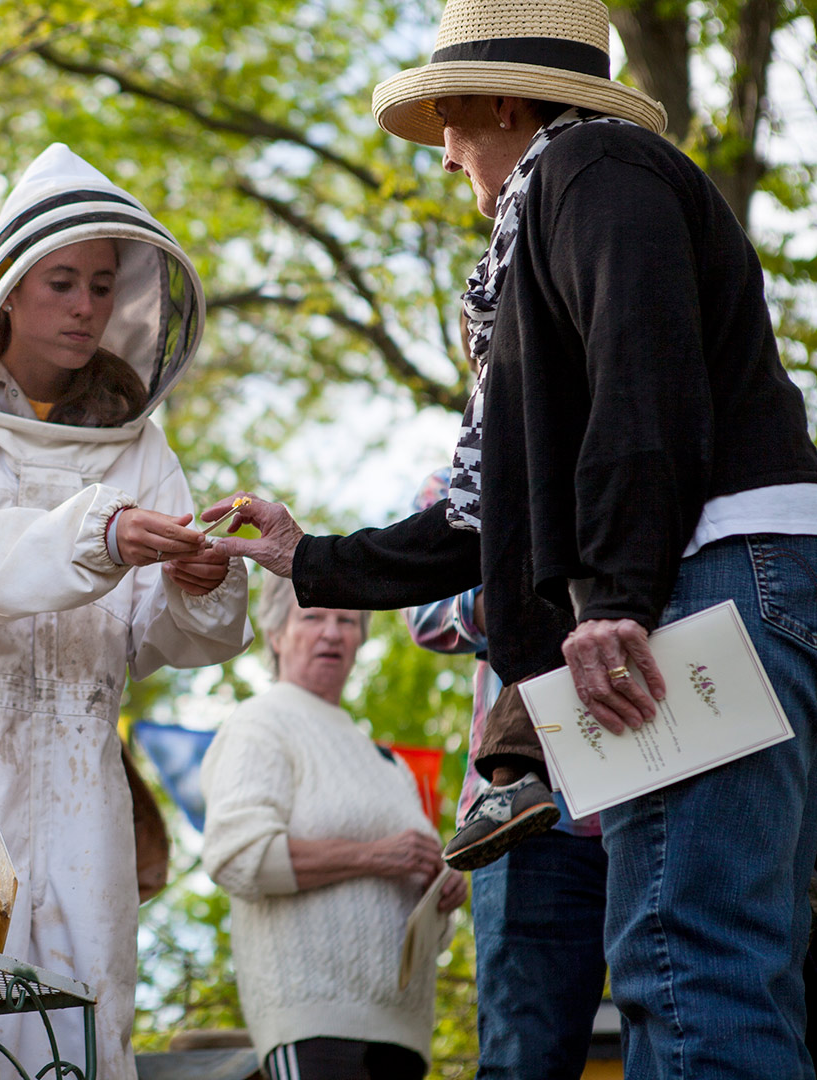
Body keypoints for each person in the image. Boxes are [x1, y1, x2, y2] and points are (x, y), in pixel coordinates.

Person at [208, 0, 817, 1075]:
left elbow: (646, 383)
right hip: (727, 580)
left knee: (686, 955)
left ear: (500, 97)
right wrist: (309, 558)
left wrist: (617, 601)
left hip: (708, 581)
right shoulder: (561, 206)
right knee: (712, 953)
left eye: (447, 120)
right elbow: (493, 514)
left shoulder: (594, 168)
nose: (443, 156)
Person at [0, 143, 251, 1079]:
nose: (86, 306)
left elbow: (160, 636)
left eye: (102, 285)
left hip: (78, 780)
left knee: (74, 1020)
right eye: (62, 282)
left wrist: (198, 582)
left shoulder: (138, 447)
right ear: (8, 293)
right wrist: (101, 534)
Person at [202, 577, 467, 1080]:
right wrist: (372, 856)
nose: (332, 632)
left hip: (404, 1034)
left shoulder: (390, 764)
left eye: (346, 620)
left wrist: (440, 895)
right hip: (313, 1024)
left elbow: (420, 926)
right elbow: (236, 856)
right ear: (276, 634)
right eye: (313, 617)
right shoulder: (261, 722)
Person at [403, 469, 607, 1080]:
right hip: (531, 815)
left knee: (678, 1033)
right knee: (527, 1056)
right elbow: (429, 615)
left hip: (664, 794)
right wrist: (546, 584)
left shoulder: (640, 434)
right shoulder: (458, 479)